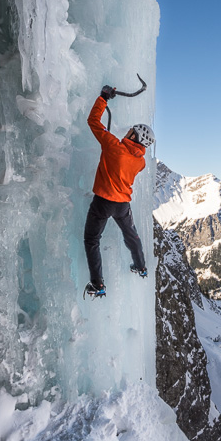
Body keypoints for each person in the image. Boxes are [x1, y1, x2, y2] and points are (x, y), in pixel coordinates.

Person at [83, 85, 155, 298]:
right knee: (131, 235)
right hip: (122, 205)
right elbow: (127, 155)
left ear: (135, 137)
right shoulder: (139, 162)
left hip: (102, 202)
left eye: (131, 131)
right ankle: (140, 266)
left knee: (92, 240)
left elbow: (93, 122)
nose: (127, 131)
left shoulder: (113, 146)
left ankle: (98, 284)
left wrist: (103, 97)